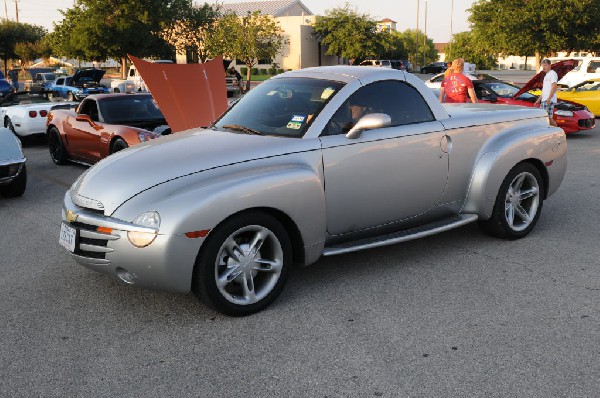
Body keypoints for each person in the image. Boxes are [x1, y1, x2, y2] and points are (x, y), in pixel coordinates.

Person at [534, 59, 558, 127]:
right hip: (544, 100)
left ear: (550, 65)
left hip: (548, 100)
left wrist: (549, 98)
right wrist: (538, 101)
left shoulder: (553, 73)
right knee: (545, 118)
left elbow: (554, 86)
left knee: (548, 118)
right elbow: (544, 91)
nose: (544, 67)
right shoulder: (546, 75)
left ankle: (558, 132)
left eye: (545, 65)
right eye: (542, 65)